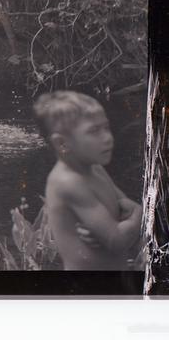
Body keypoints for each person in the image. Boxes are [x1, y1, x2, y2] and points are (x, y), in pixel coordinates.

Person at [33, 90, 142, 270]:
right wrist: (139, 215)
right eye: (94, 131)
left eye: (106, 127)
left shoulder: (94, 168)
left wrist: (130, 218)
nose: (108, 137)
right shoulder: (67, 181)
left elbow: (124, 210)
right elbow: (117, 240)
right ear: (62, 143)